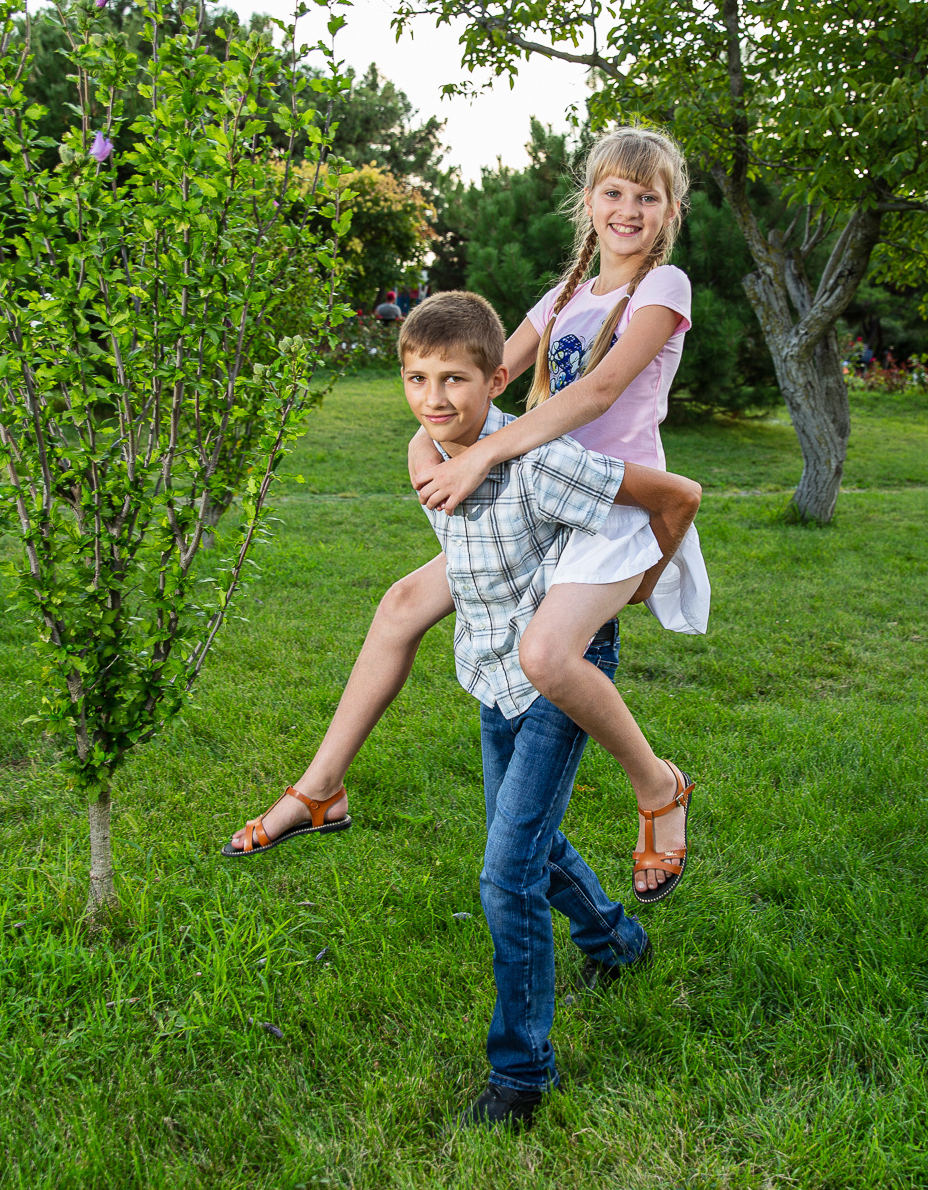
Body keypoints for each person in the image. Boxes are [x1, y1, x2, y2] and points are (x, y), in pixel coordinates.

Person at [238, 293, 700, 1127]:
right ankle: (619, 943)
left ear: (498, 379)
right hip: (490, 676)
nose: (435, 398)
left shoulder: (543, 459)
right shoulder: (427, 454)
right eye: (417, 378)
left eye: (456, 379)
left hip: (562, 675)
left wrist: (635, 588)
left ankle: (523, 1074)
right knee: (525, 842)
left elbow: (676, 497)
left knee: (505, 873)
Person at [226, 126, 708, 901]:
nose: (628, 208)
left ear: (670, 208)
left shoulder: (662, 286)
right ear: (588, 200)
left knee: (547, 657)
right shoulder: (562, 298)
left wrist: (483, 454)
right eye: (613, 191)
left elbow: (596, 392)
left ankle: (658, 787)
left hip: (609, 502)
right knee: (400, 604)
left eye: (646, 196)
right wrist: (429, 436)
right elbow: (480, 377)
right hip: (541, 495)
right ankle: (321, 787)